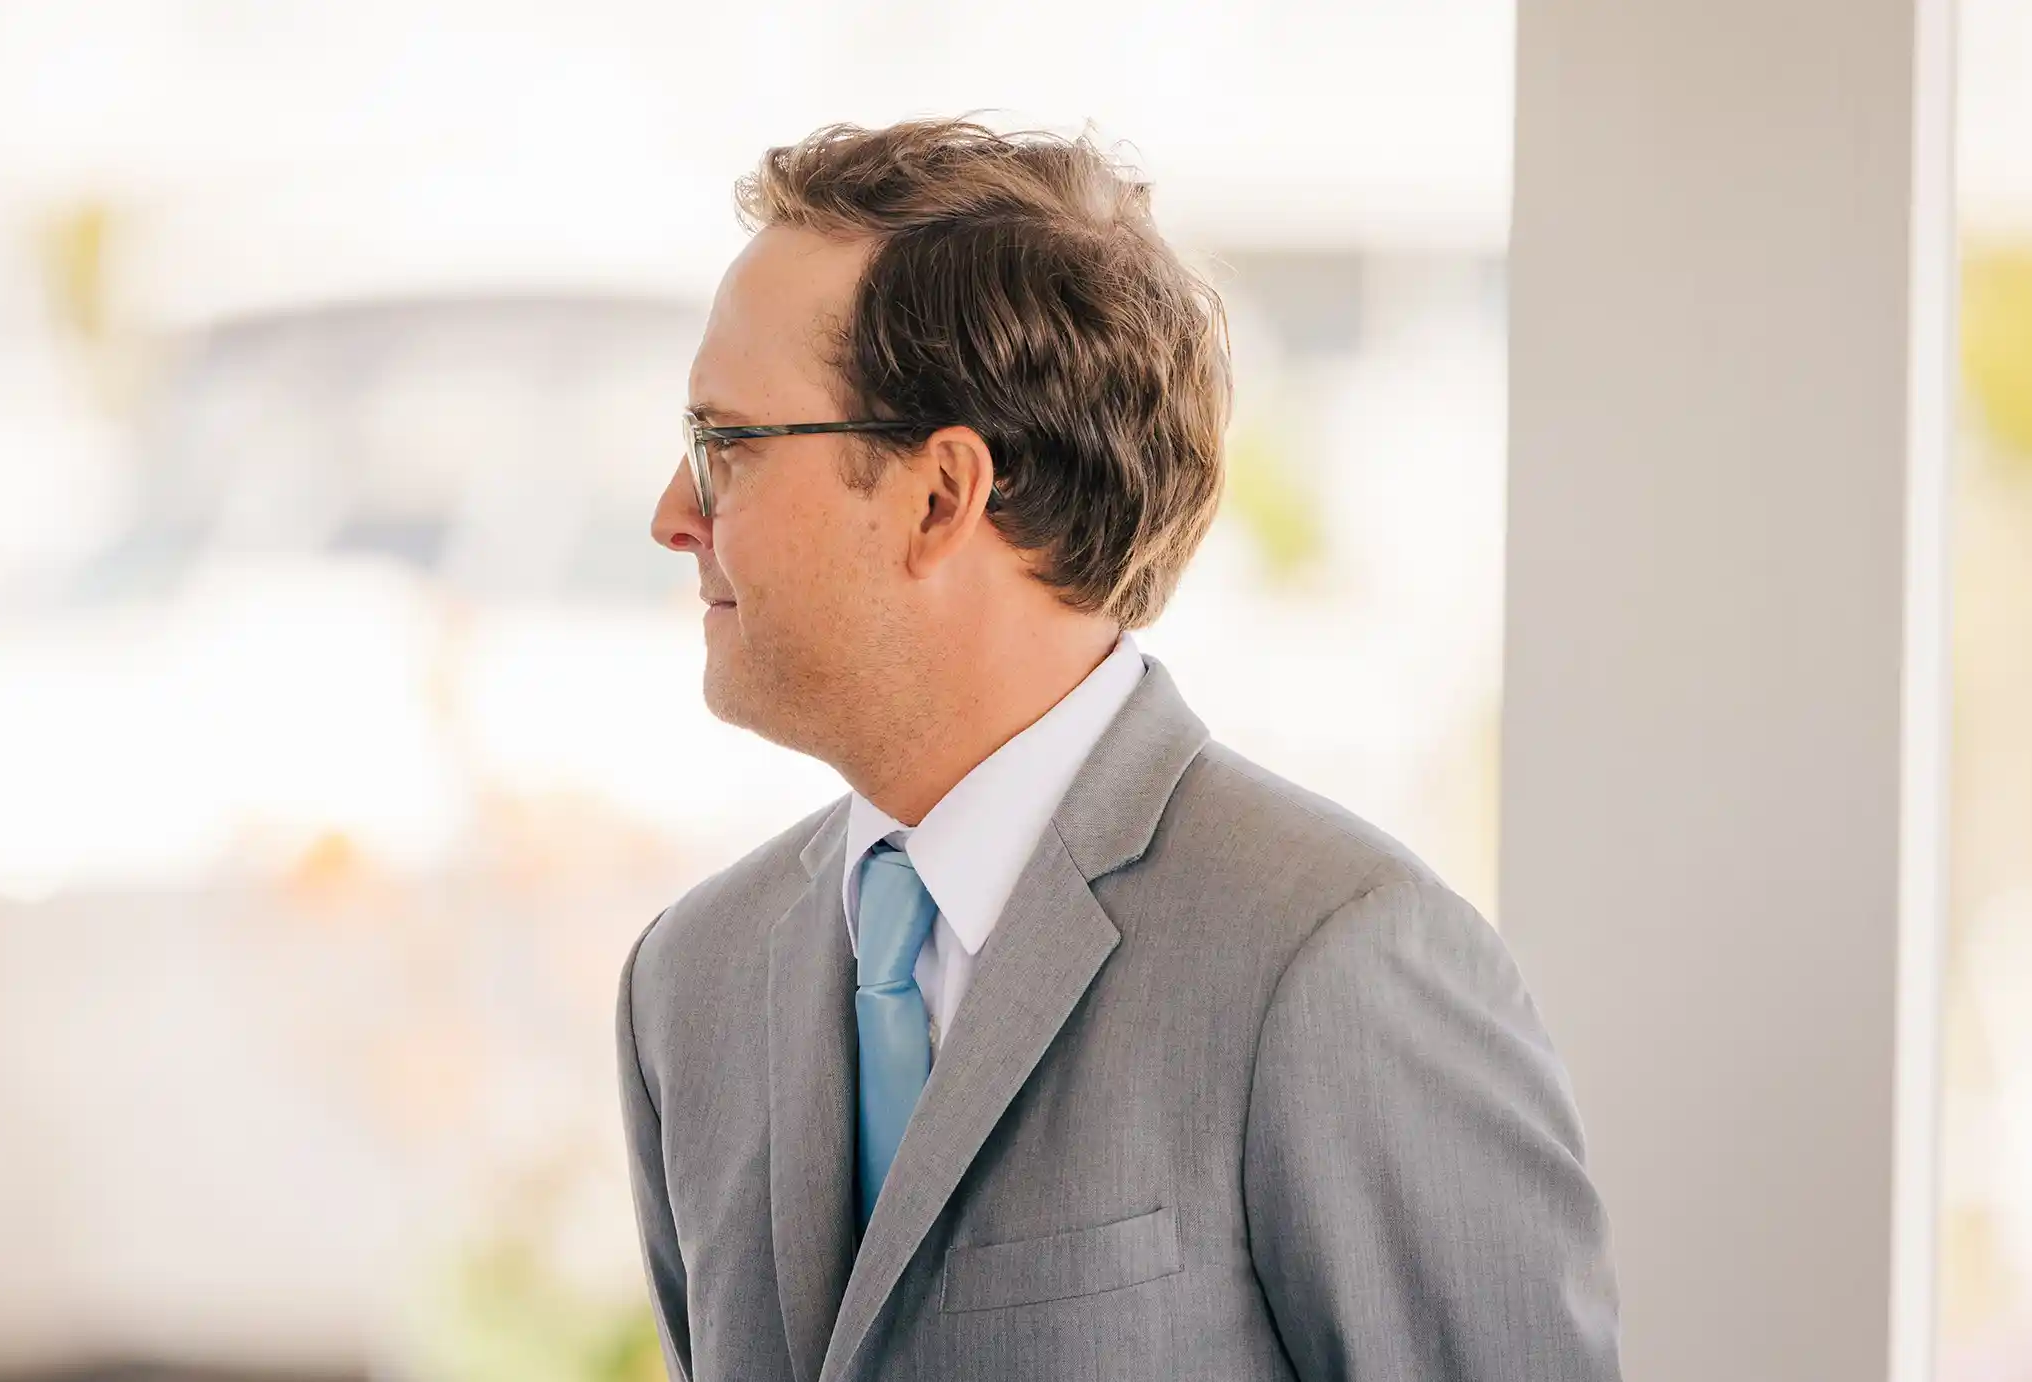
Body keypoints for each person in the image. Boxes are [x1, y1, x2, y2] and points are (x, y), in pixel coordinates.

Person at [616, 117, 1622, 1382]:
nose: (672, 514)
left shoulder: (1332, 959)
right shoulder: (688, 981)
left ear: (941, 495)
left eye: (727, 446)